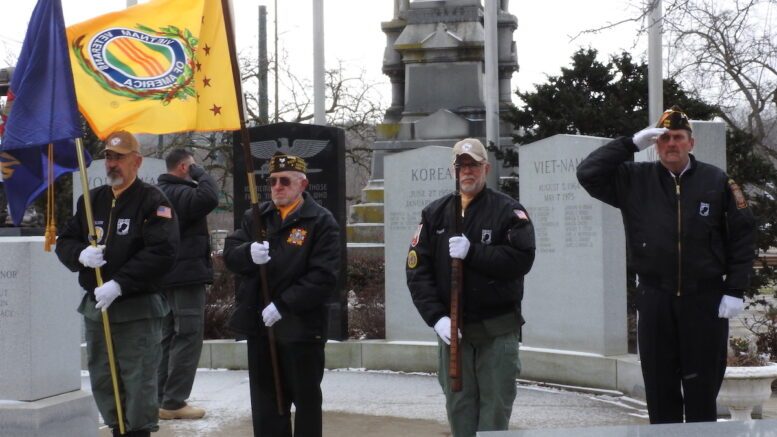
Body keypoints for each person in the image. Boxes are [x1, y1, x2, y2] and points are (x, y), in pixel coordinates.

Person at [576, 106, 757, 423]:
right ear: (655, 144)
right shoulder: (635, 179)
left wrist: (736, 289)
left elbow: (742, 237)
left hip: (705, 301)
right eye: (664, 138)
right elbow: (587, 173)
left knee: (702, 394)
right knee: (660, 393)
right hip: (655, 298)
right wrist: (631, 144)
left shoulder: (716, 182)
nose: (671, 144)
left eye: (678, 138)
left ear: (691, 143)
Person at [406, 138, 536, 437]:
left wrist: (474, 252)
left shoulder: (508, 211)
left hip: (497, 330)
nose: (467, 171)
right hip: (454, 332)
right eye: (461, 165)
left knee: (495, 408)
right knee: (459, 407)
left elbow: (521, 259)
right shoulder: (435, 213)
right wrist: (436, 317)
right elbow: (416, 270)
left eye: (473, 165)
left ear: (486, 168)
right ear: (454, 170)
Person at [55, 131, 179, 437]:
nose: (112, 164)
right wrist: (80, 255)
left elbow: (162, 252)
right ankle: (116, 428)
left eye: (119, 157)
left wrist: (120, 284)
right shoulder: (91, 200)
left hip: (136, 308)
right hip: (98, 309)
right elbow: (66, 241)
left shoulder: (153, 201)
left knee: (138, 381)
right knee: (103, 377)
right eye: (109, 157)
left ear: (136, 161)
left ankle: (136, 432)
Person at [223, 153, 341, 437]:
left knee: (306, 403)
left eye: (284, 181)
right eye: (272, 181)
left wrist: (284, 305)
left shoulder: (321, 222)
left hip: (302, 330)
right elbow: (230, 257)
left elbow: (323, 277)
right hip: (262, 329)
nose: (277, 186)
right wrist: (247, 253)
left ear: (302, 184)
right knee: (266, 406)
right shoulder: (256, 217)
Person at [156, 148, 219, 420]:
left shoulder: (158, 193)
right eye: (191, 166)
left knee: (167, 338)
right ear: (183, 167)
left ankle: (159, 398)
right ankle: (173, 402)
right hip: (186, 276)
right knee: (188, 336)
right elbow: (209, 197)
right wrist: (200, 172)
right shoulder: (180, 193)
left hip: (166, 277)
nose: (195, 170)